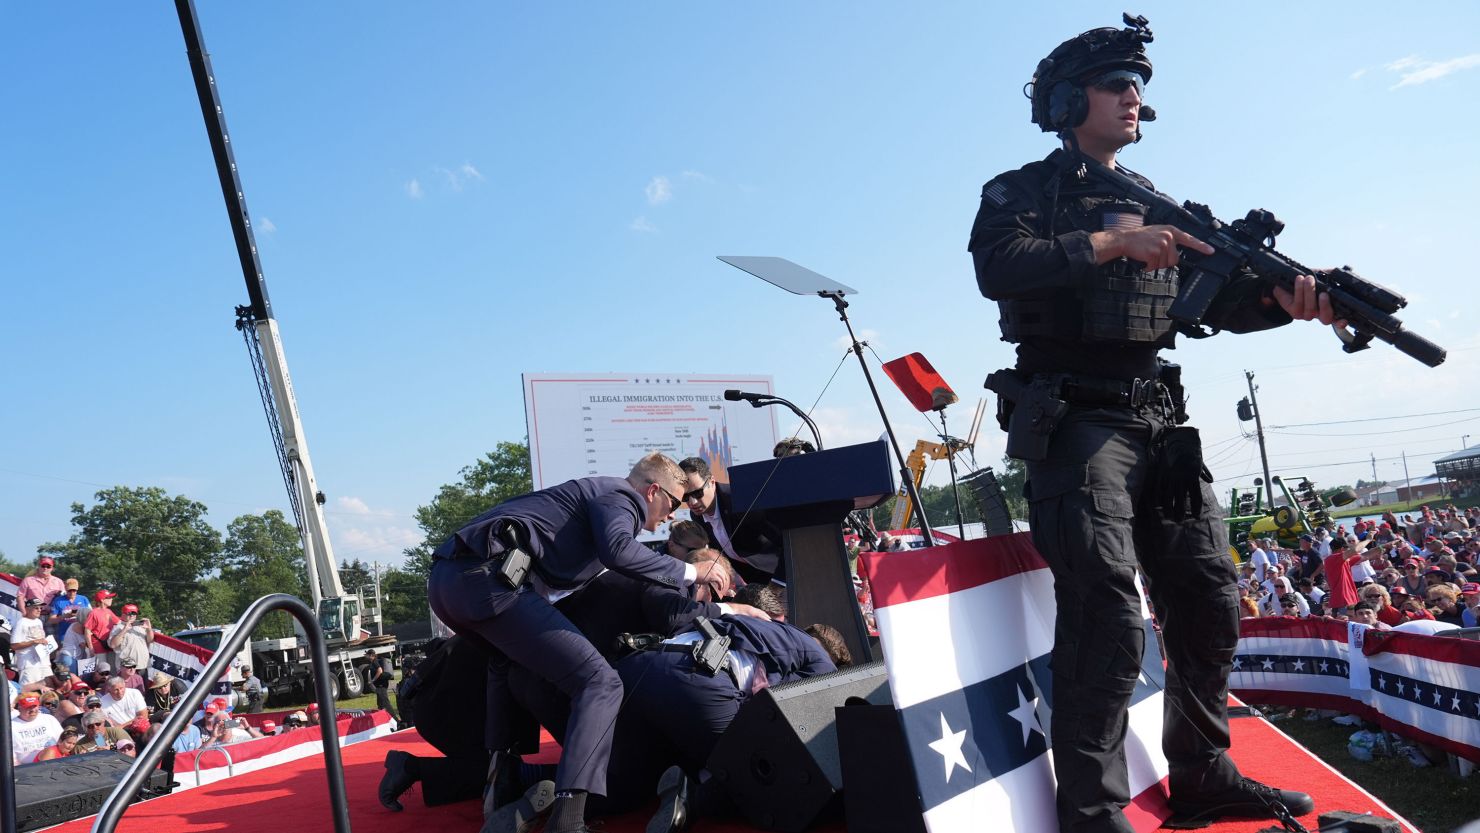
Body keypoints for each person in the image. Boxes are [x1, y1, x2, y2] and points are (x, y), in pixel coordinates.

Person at [968, 15, 1325, 830]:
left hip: (1162, 424)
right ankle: (1092, 811)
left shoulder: (1162, 203)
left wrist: (1294, 298)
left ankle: (1201, 770)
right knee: (1105, 610)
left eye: (1140, 86)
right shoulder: (1022, 191)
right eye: (1117, 83)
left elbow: (1226, 304)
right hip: (1077, 422)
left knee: (1207, 598)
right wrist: (1110, 245)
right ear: (1067, 100)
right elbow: (999, 265)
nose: (1135, 96)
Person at [428, 452, 712, 833]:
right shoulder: (621, 496)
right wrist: (692, 571)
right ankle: (568, 821)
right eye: (674, 503)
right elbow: (619, 551)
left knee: (504, 663)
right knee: (601, 682)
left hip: (448, 583)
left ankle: (502, 775)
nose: (673, 515)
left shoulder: (588, 499)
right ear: (653, 490)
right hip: (490, 582)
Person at [677, 456, 784, 585]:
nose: (692, 502)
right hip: (749, 580)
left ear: (711, 481)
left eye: (698, 493)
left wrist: (779, 581)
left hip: (781, 572)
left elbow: (783, 540)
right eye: (685, 497)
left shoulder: (740, 499)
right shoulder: (696, 516)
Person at [11, 598, 54, 688]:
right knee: (30, 691)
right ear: (28, 608)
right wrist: (33, 642)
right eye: (36, 608)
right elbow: (14, 646)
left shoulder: (39, 622)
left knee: (49, 689)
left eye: (40, 608)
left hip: (43, 663)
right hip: (29, 664)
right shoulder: (21, 623)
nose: (39, 610)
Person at [11, 692, 63, 764]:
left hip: (56, 761)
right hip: (28, 769)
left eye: (34, 706)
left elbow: (63, 741)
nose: (33, 710)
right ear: (19, 707)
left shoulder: (49, 719)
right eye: (28, 707)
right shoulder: (11, 727)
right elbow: (11, 758)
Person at [109, 604, 154, 675]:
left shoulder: (141, 626)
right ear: (123, 615)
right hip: (127, 667)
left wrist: (149, 629)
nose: (132, 616)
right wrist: (124, 630)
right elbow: (113, 645)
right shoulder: (118, 627)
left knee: (142, 686)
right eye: (129, 613)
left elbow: (150, 640)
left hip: (143, 665)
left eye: (134, 613)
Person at [84, 589, 121, 669]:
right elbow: (87, 631)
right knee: (101, 671)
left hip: (109, 646)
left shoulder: (109, 611)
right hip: (98, 648)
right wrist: (91, 648)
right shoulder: (94, 612)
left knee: (112, 670)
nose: (111, 599)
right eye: (109, 598)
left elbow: (120, 623)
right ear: (102, 600)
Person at [367, 650, 401, 724]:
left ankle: (397, 721)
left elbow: (380, 670)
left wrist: (373, 680)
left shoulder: (375, 662)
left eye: (368, 655)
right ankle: (384, 721)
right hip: (380, 686)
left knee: (386, 704)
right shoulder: (374, 662)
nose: (367, 657)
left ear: (371, 655)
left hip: (381, 686)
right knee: (380, 704)